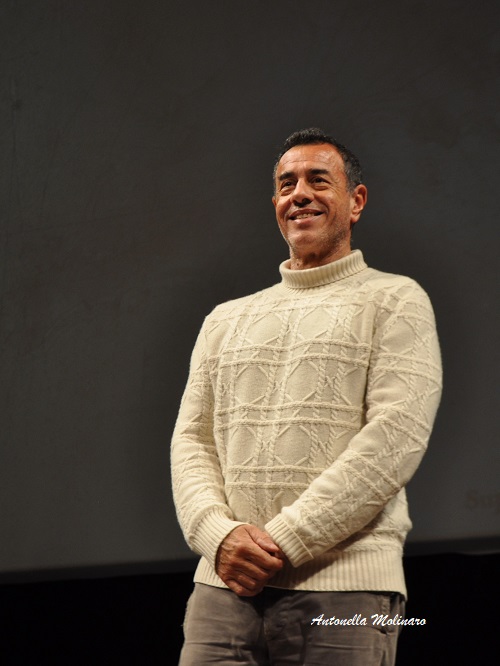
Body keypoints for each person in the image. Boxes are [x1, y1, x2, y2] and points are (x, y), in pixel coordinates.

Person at [171, 127, 442, 665]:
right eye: (286, 184)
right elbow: (192, 441)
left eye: (318, 180)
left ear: (356, 201)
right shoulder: (225, 319)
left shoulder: (395, 299)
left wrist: (284, 540)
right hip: (223, 589)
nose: (299, 194)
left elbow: (395, 439)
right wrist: (217, 536)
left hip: (346, 588)